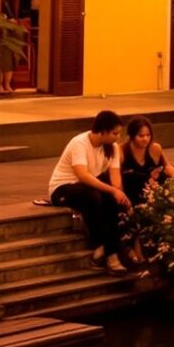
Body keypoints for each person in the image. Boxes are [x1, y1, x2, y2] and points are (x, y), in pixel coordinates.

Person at [48, 110, 130, 272]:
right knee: (94, 197)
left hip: (88, 186)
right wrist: (112, 190)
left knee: (112, 200)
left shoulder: (112, 147)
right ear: (103, 131)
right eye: (115, 133)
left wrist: (119, 194)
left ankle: (110, 254)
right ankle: (101, 247)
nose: (118, 138)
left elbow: (115, 178)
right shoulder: (79, 143)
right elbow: (83, 175)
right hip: (63, 188)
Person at [120, 117, 170, 206]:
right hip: (131, 194)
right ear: (132, 136)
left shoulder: (155, 148)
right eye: (141, 136)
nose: (145, 139)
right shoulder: (121, 151)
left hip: (152, 194)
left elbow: (168, 167)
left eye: (148, 135)